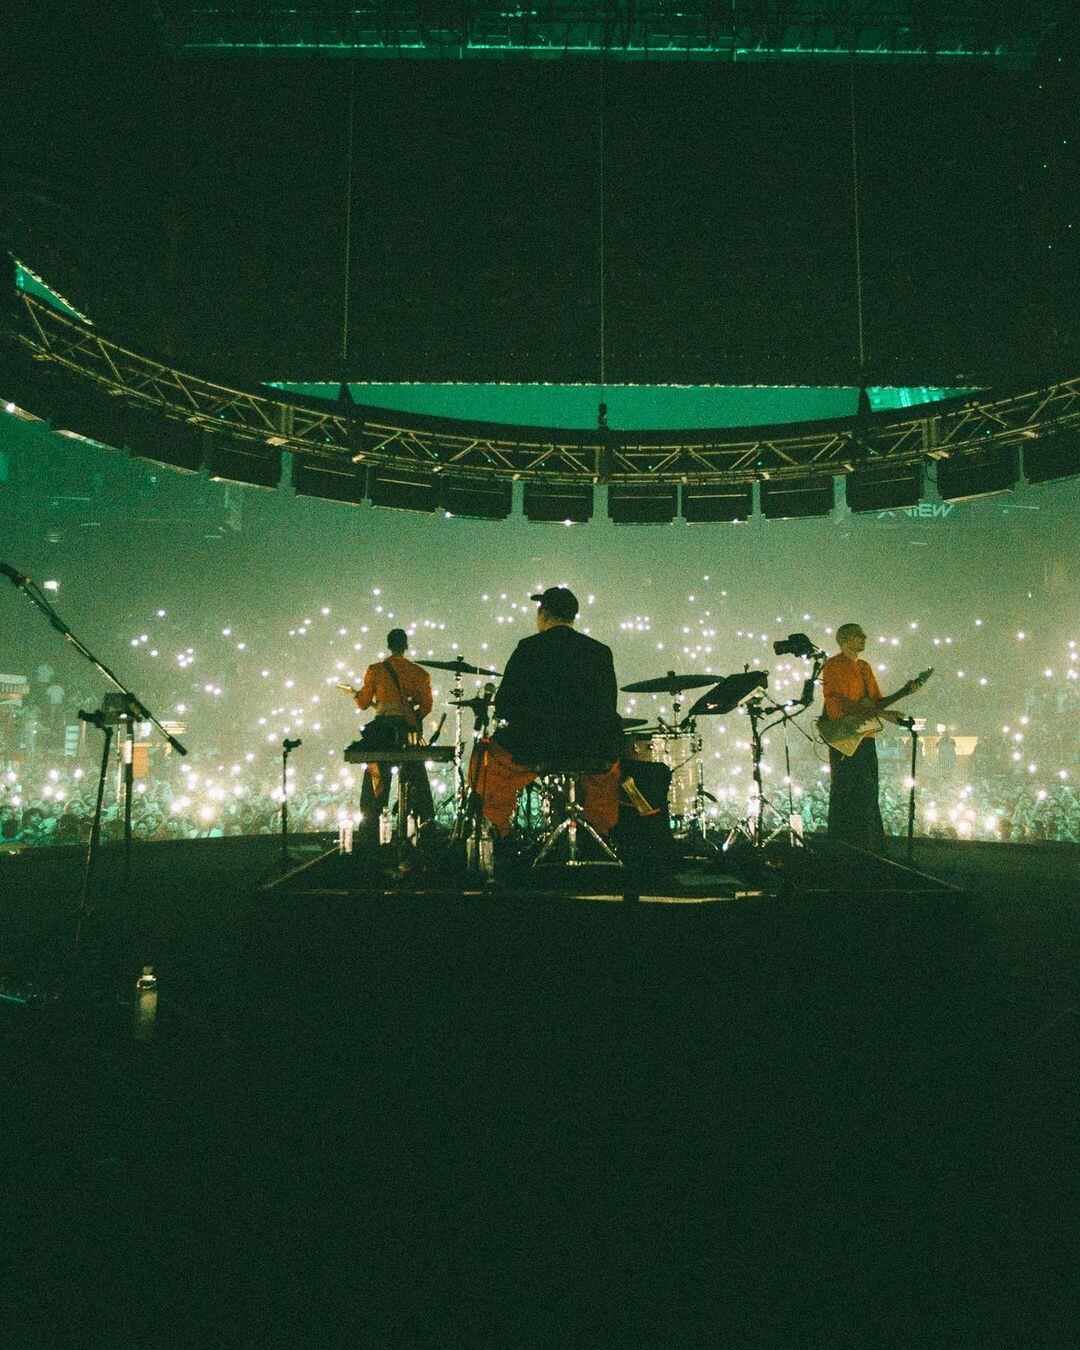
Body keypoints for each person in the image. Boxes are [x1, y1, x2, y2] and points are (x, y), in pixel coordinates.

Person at [473, 587, 622, 839]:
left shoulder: (528, 648)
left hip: (537, 747)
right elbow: (609, 705)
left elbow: (505, 705)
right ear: (573, 616)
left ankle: (496, 834)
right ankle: (600, 835)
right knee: (609, 771)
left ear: (542, 614)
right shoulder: (600, 652)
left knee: (485, 760)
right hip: (592, 747)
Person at [821, 622, 912, 851]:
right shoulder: (832, 666)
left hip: (866, 736)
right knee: (846, 789)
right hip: (845, 738)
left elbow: (874, 702)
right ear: (843, 641)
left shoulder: (865, 667)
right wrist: (883, 714)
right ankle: (843, 845)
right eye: (857, 636)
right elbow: (841, 704)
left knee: (869, 790)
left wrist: (904, 691)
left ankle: (869, 844)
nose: (863, 638)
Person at [352, 628, 435, 843]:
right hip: (408, 733)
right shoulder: (419, 673)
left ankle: (370, 831)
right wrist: (411, 716)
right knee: (415, 778)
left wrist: (356, 695)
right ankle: (421, 829)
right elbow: (427, 706)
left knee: (376, 777)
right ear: (406, 645)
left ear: (388, 645)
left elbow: (362, 703)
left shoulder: (375, 670)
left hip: (382, 732)